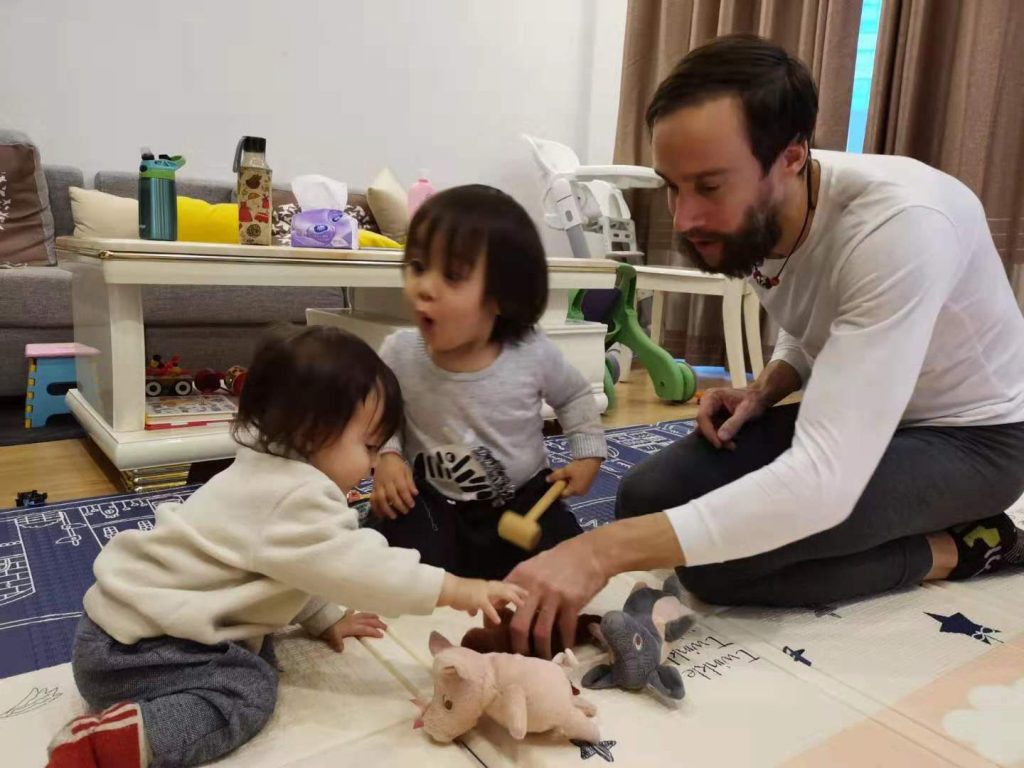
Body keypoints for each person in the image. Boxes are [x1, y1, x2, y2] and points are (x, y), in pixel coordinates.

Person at [505, 33, 1024, 658]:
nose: (685, 218)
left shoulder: (900, 229)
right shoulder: (773, 204)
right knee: (644, 499)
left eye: (709, 187)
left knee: (721, 568)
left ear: (792, 158)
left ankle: (961, 548)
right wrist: (768, 386)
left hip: (977, 440)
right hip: (871, 413)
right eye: (672, 186)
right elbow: (813, 316)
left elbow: (822, 482)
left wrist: (597, 552)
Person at [47, 325, 525, 768]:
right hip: (136, 654)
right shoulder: (296, 496)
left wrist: (325, 617)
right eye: (369, 446)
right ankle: (113, 744)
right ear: (313, 433)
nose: (372, 463)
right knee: (248, 689)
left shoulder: (265, 472)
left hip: (122, 634)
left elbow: (296, 568)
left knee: (259, 650)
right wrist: (454, 588)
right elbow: (358, 567)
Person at [370, 184, 607, 579]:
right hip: (432, 498)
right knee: (392, 554)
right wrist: (389, 456)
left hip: (520, 499)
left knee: (567, 561)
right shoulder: (399, 351)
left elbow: (575, 395)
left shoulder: (531, 353)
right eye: (418, 266)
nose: (424, 287)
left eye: (452, 275)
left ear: (501, 296)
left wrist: (587, 455)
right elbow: (379, 413)